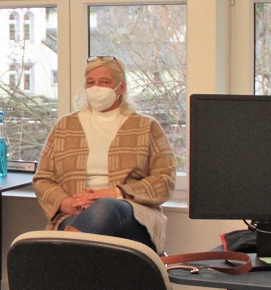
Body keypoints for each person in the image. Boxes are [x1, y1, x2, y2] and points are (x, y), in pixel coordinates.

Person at [32, 56, 177, 254]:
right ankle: (65, 264)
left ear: (122, 87)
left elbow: (164, 182)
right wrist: (67, 203)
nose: (96, 88)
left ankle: (56, 260)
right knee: (88, 223)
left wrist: (117, 193)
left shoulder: (147, 127)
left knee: (107, 207)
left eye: (104, 82)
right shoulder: (65, 127)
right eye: (90, 82)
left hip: (131, 217)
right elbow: (43, 179)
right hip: (77, 215)